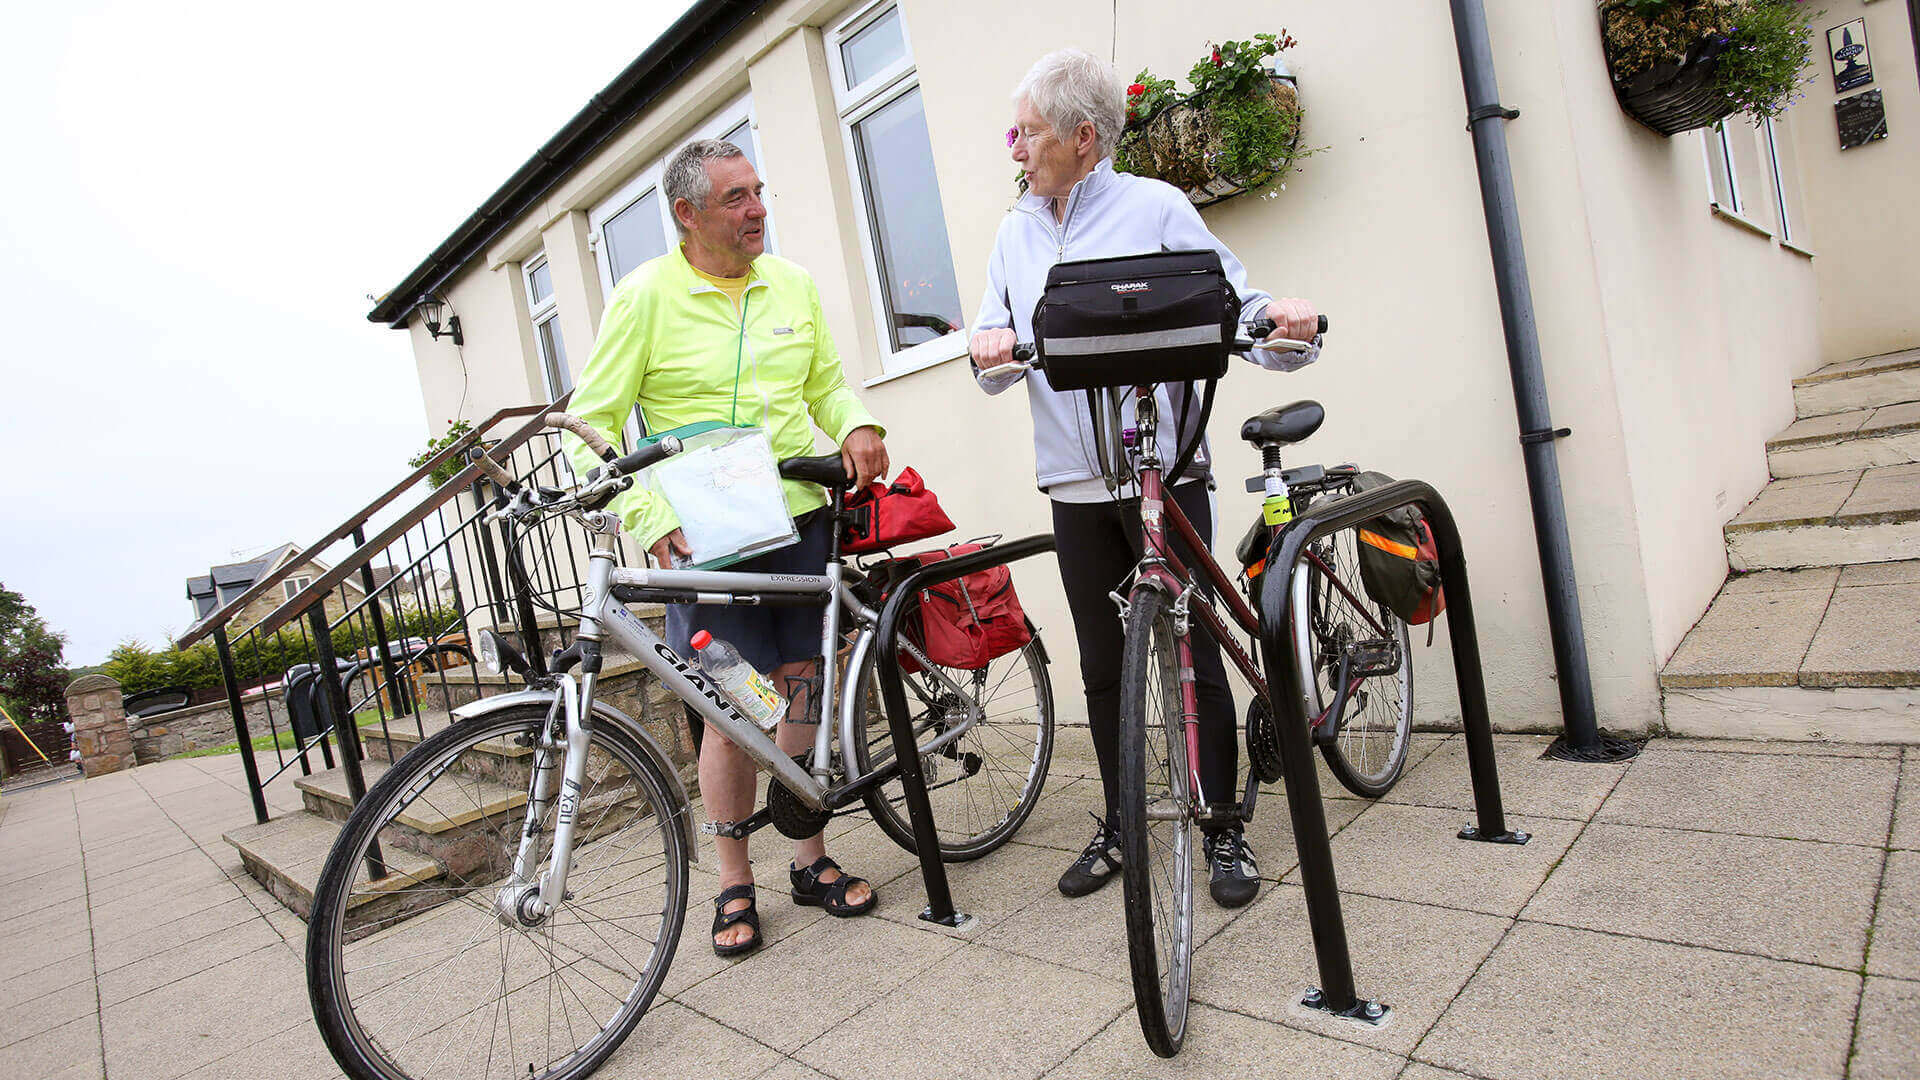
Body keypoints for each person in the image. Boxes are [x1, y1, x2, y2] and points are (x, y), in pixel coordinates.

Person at [969, 49, 1323, 910]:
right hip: (1077, 487)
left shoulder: (1155, 207)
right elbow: (990, 348)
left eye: (1028, 132)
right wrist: (985, 348)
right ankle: (1127, 823)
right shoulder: (1015, 232)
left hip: (1167, 474)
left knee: (1195, 652)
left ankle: (1221, 826)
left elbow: (1234, 302)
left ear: (1083, 137)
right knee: (1102, 666)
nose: (1014, 148)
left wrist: (1281, 322)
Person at [565, 138, 890, 956]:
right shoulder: (643, 298)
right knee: (731, 706)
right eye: (736, 198)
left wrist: (855, 422)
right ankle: (733, 881)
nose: (757, 211)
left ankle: (808, 856)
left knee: (802, 689)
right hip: (709, 543)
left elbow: (825, 381)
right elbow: (590, 428)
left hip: (800, 523)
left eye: (758, 190)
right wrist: (643, 508)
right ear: (688, 214)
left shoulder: (793, 283)